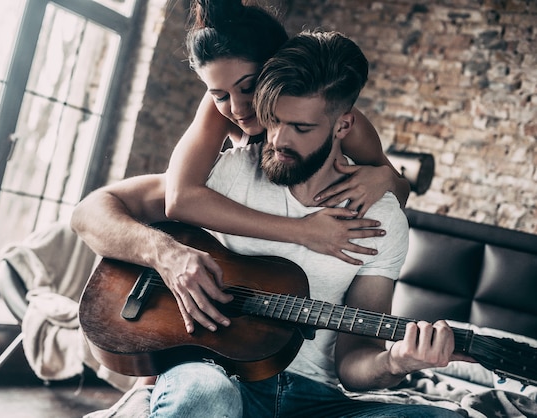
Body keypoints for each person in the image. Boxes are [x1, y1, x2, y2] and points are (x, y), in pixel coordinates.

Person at [72, 30, 464, 417]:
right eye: (272, 119)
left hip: (316, 400)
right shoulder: (226, 174)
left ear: (344, 126)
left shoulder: (380, 218)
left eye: (301, 128)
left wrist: (396, 362)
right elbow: (90, 212)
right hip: (217, 376)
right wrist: (167, 253)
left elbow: (354, 362)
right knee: (206, 394)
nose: (276, 139)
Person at [164, 0, 412, 266]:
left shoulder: (347, 127)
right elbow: (179, 199)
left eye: (248, 87)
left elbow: (401, 192)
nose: (236, 108)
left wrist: (386, 178)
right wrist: (302, 231)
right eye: (220, 95)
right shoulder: (217, 110)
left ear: (275, 69)